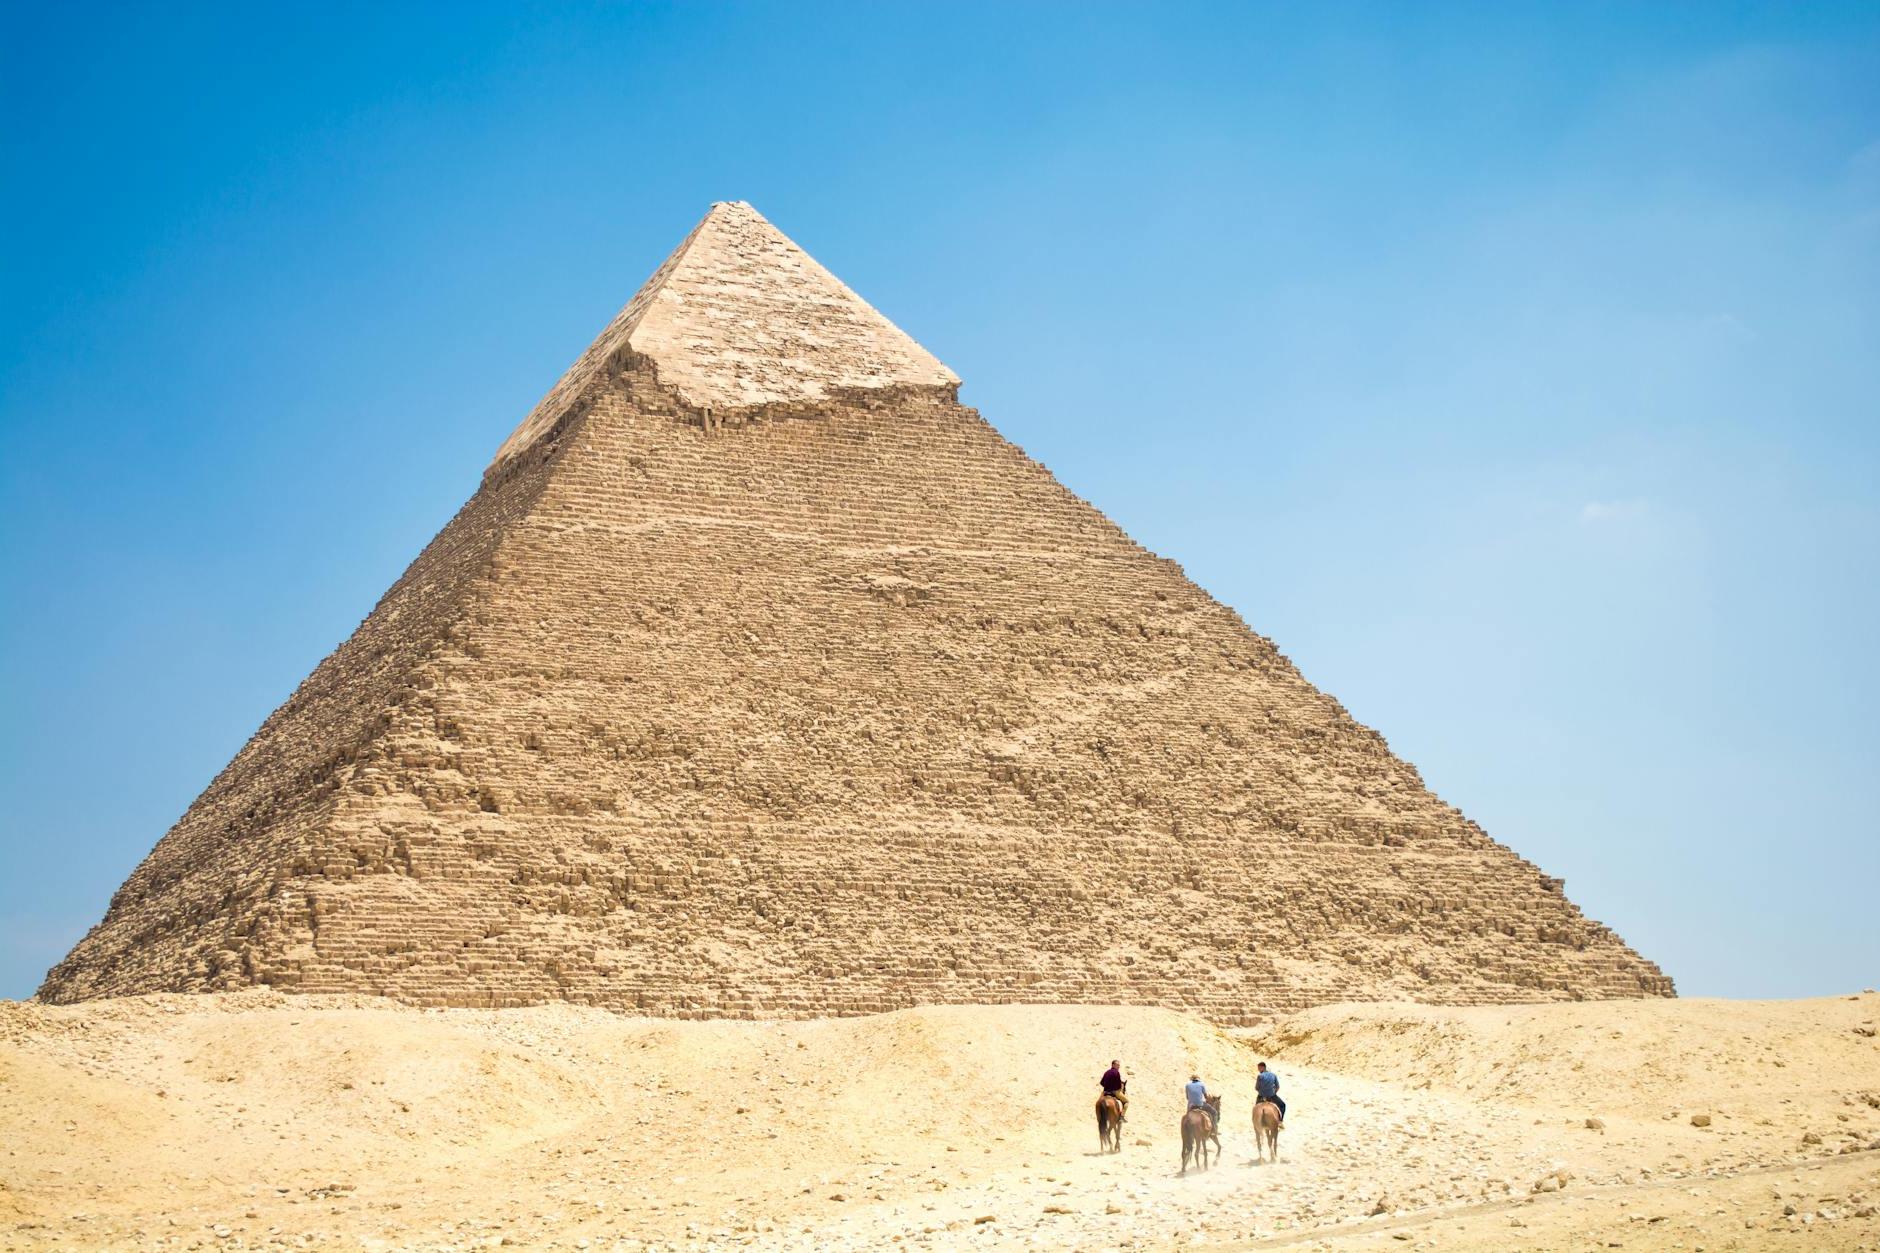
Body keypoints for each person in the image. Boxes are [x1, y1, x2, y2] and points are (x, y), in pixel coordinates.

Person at [1255, 1060, 1286, 1125]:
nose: (1258, 1070)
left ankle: (1255, 1122)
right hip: (1272, 1096)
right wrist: (1273, 1092)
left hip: (1261, 1096)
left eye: (1259, 1068)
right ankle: (1280, 1121)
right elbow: (1277, 1087)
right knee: (1282, 1105)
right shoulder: (1274, 1075)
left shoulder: (1260, 1076)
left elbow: (1256, 1088)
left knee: (1256, 1108)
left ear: (1263, 1067)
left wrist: (1261, 1091)